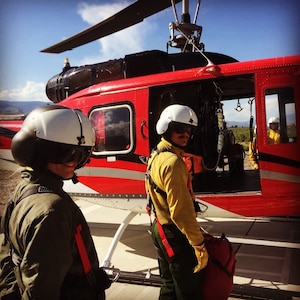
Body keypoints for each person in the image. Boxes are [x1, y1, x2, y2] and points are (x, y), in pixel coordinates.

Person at [0, 105, 110, 300]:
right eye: (63, 152)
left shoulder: (24, 189)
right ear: (37, 150)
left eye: (80, 154)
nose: (73, 161)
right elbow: (41, 290)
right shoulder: (53, 210)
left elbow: (9, 257)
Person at [145, 104, 208, 300]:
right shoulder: (173, 163)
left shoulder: (155, 155)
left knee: (169, 285)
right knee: (188, 290)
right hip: (174, 232)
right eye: (179, 129)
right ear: (167, 128)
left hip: (160, 228)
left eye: (189, 130)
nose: (185, 134)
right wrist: (199, 245)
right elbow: (181, 212)